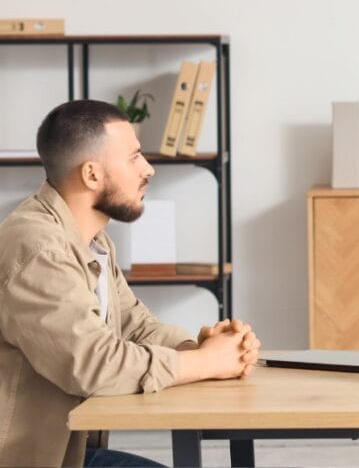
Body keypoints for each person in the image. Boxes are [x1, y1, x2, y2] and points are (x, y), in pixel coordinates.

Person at [0, 100, 261, 467]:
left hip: (73, 454)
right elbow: (92, 365)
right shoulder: (37, 248)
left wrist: (205, 347)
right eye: (134, 157)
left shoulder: (92, 240)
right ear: (92, 174)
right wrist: (203, 363)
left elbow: (137, 326)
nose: (149, 169)